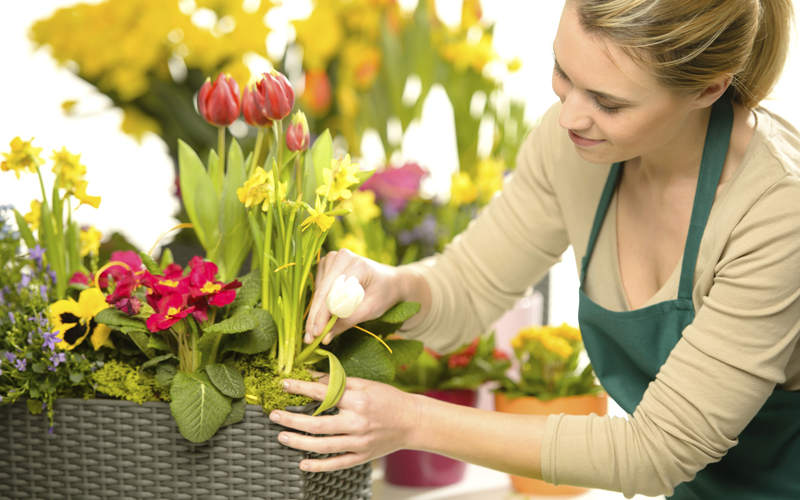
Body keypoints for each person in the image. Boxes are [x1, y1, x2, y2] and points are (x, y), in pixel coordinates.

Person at [268, 0, 800, 497]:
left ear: (708, 89)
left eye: (609, 102)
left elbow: (656, 450)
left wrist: (413, 421)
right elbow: (471, 285)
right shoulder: (576, 145)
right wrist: (394, 286)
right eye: (563, 73)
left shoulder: (777, 212)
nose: (569, 116)